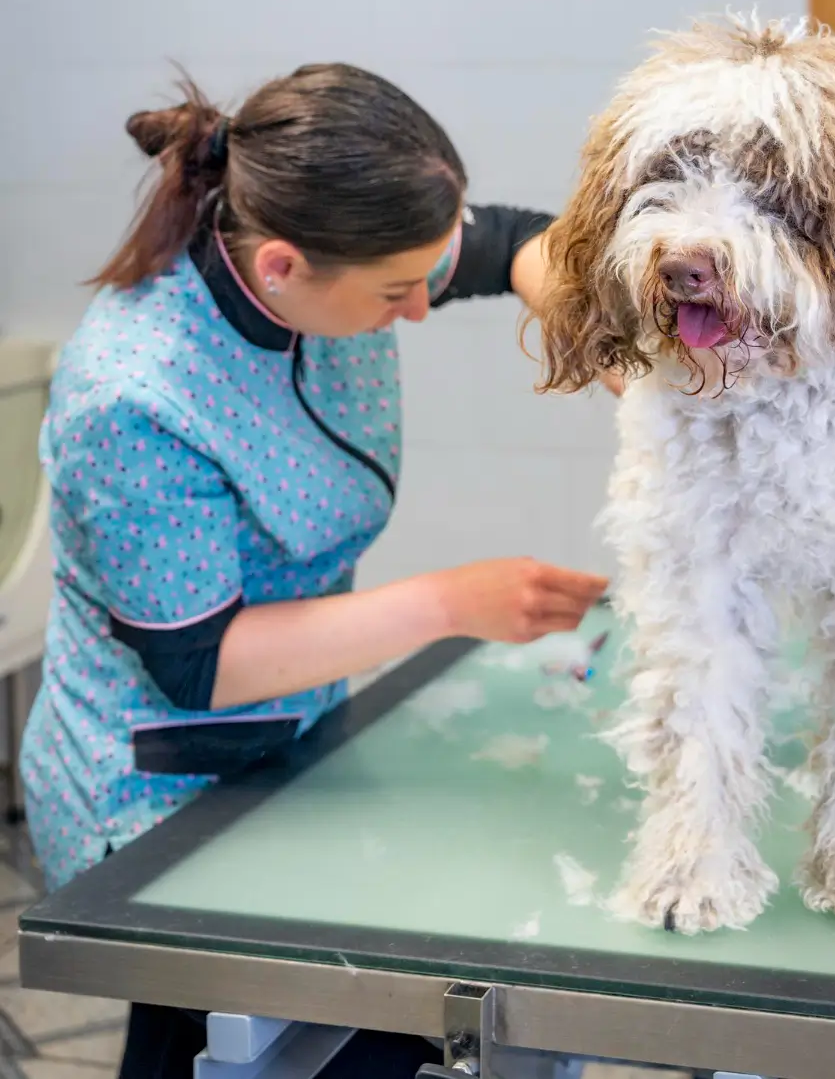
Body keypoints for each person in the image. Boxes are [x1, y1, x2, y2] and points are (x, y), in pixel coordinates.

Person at [21, 63, 609, 1079]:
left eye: (425, 276)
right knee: (301, 1032)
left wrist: (615, 344)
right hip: (156, 794)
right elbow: (199, 664)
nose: (420, 307)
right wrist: (451, 602)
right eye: (395, 291)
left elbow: (517, 243)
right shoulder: (133, 398)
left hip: (292, 743)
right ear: (284, 267)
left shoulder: (334, 240)